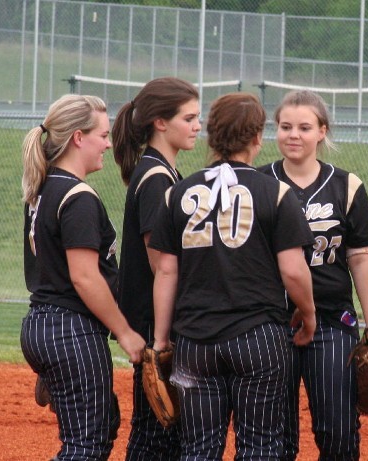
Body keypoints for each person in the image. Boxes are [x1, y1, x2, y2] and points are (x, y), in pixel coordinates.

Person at [148, 92, 317, 460]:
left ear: (212, 135)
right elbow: (293, 270)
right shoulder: (276, 192)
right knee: (260, 446)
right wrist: (309, 315)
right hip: (257, 337)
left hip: (195, 341)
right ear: (257, 137)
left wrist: (161, 339)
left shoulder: (177, 193)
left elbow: (166, 271)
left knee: (199, 448)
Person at [20, 94, 146, 460]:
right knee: (86, 446)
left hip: (43, 324)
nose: (108, 144)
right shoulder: (78, 197)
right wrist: (125, 333)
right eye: (102, 135)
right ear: (78, 137)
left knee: (101, 427)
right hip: (70, 329)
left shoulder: (43, 188)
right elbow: (85, 278)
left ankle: (58, 377)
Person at [259, 89, 368, 461]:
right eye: (285, 127)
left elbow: (360, 259)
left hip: (331, 320)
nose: (293, 135)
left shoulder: (346, 185)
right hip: (271, 322)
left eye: (304, 127)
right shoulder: (260, 183)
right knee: (273, 437)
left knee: (339, 433)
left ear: (322, 131)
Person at [112, 77, 201, 460]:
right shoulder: (156, 178)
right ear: (160, 122)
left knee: (160, 435)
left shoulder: (161, 171)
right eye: (189, 118)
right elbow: (159, 262)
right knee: (155, 436)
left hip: (154, 321)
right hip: (155, 324)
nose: (197, 126)